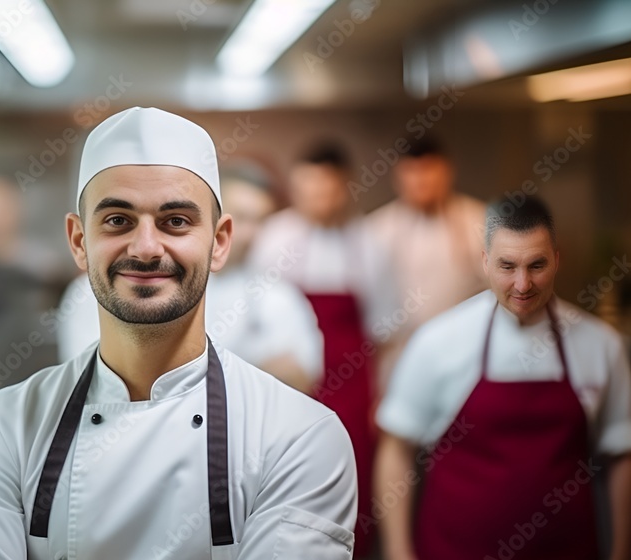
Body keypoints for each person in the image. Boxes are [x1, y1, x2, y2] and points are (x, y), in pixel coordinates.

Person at [0, 107, 358, 559]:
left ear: (219, 242)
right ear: (79, 242)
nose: (147, 248)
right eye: (118, 220)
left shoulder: (299, 439)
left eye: (176, 221)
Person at [374, 197, 631, 560]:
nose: (523, 284)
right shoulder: (437, 342)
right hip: (452, 550)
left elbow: (622, 455)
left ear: (558, 259)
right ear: (484, 262)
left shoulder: (601, 346)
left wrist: (621, 552)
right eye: (507, 266)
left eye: (537, 265)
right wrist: (399, 554)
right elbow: (396, 449)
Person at [55, 162, 324, 393]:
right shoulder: (95, 290)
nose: (251, 233)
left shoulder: (278, 295)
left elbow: (300, 378)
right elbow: (94, 379)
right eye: (243, 217)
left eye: (260, 220)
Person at [248, 143, 398, 558]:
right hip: (288, 378)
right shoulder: (273, 237)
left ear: (345, 187)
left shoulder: (369, 244)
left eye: (326, 188)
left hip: (353, 383)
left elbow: (385, 330)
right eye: (307, 188)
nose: (317, 197)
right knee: (288, 467)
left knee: (352, 469)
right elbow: (255, 318)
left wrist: (382, 395)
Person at [365, 138, 486, 384]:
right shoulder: (376, 230)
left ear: (447, 171)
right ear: (398, 176)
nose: (421, 180)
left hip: (465, 354)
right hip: (398, 357)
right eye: (412, 171)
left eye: (429, 170)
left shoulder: (481, 221)